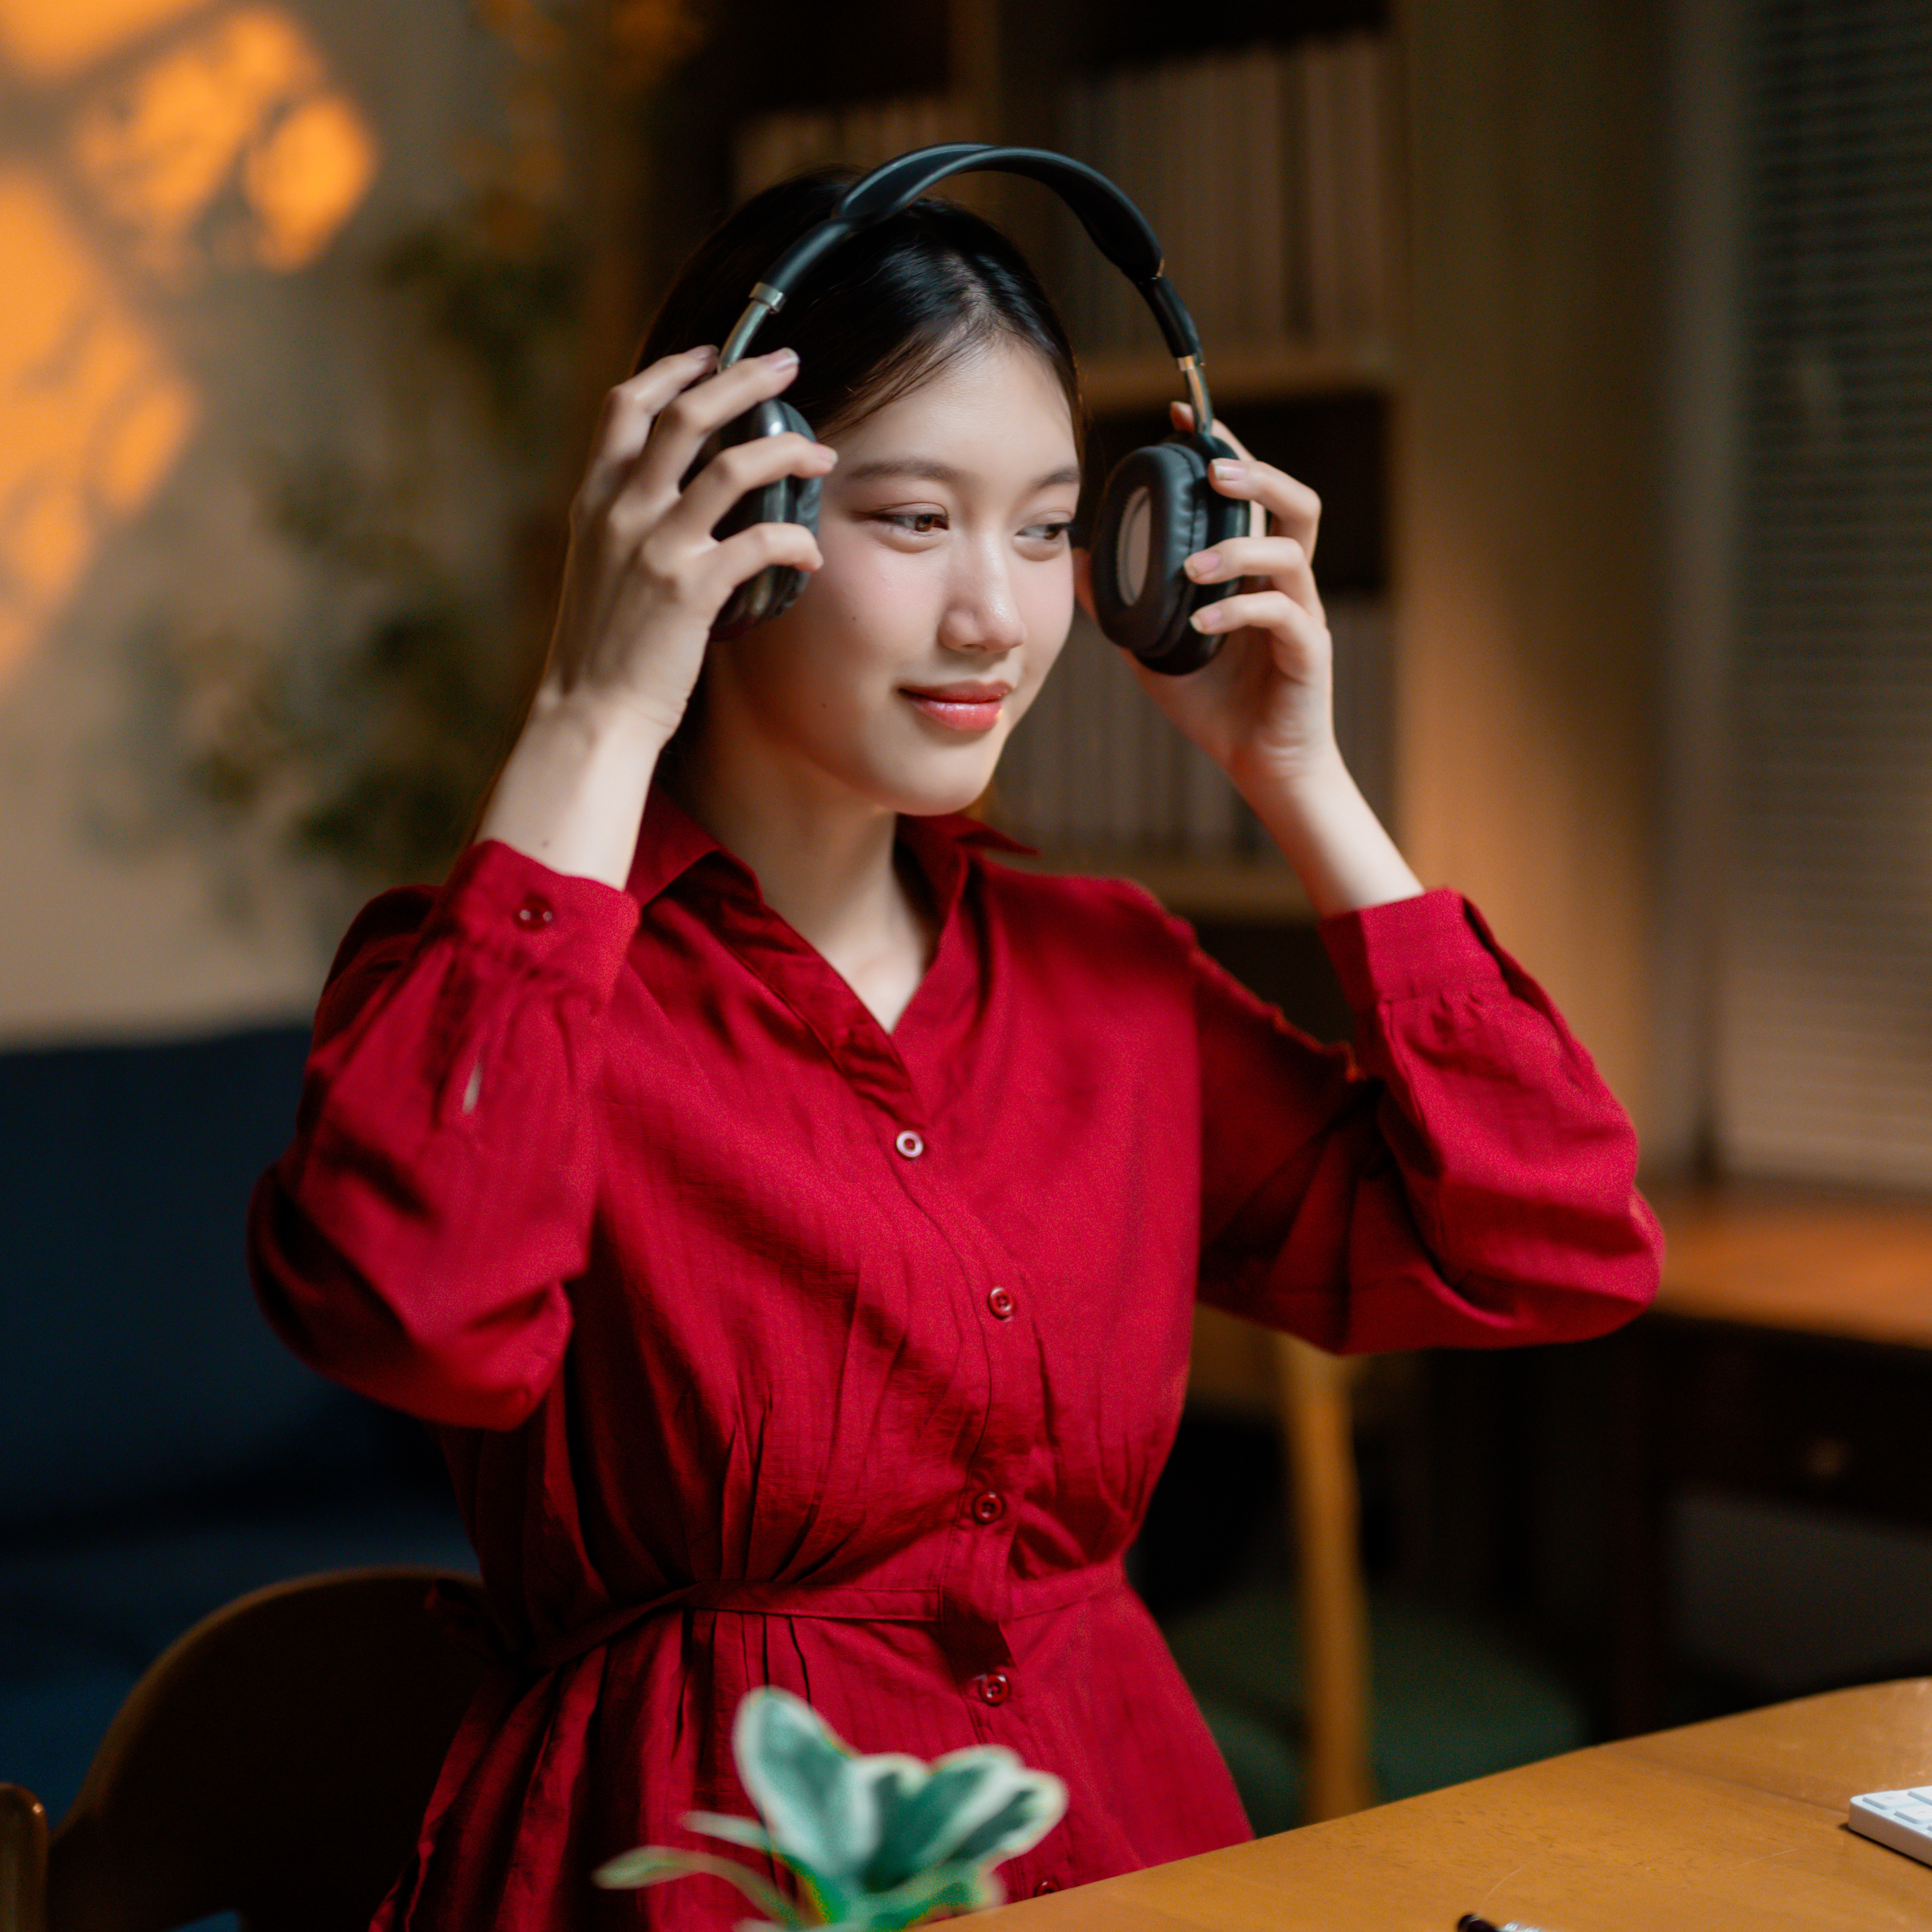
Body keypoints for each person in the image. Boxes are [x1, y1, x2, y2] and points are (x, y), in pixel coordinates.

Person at [248, 168, 1662, 1931]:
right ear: (719, 515)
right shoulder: (500, 983)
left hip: (1120, 1854)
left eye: (1050, 530)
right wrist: (594, 709)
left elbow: (1556, 1248)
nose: (997, 616)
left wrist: (1301, 779)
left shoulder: (1110, 977)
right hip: (692, 1879)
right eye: (914, 520)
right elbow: (410, 1313)